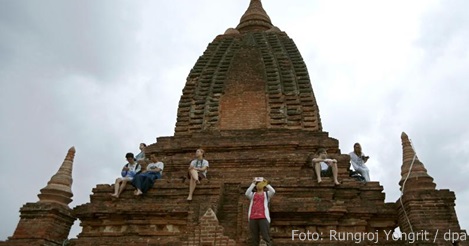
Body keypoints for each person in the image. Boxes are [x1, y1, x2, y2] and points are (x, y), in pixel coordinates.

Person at [245, 178, 275, 246]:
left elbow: (273, 191)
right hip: (253, 217)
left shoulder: (266, 194)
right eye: (258, 184)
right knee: (254, 238)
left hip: (263, 217)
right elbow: (247, 193)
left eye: (260, 184)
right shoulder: (253, 195)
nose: (259, 185)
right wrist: (253, 183)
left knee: (265, 236)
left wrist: (266, 183)